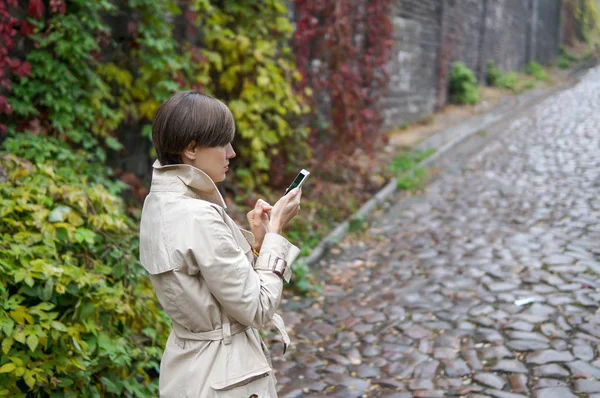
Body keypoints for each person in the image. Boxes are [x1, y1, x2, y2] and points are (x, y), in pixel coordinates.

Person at [139, 91, 302, 397]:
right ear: (191, 148)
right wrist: (277, 231)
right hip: (226, 378)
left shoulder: (158, 203)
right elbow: (257, 308)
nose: (231, 153)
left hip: (187, 368)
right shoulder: (199, 216)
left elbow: (213, 291)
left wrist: (258, 245)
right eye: (222, 142)